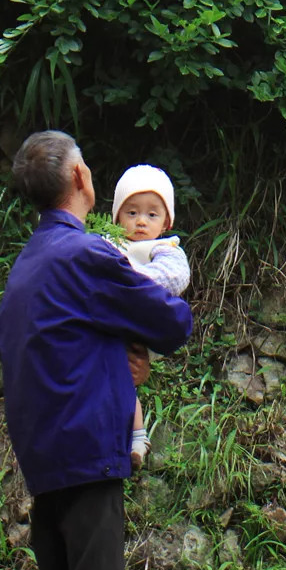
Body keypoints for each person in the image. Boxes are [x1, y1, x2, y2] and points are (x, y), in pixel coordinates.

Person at [0, 131, 193, 570]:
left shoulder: (28, 265)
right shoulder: (85, 255)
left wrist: (117, 356)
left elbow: (63, 346)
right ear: (80, 178)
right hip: (86, 456)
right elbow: (173, 321)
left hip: (43, 459)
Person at [108, 164, 190, 470]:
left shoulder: (166, 249)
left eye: (152, 214)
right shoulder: (108, 243)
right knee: (120, 377)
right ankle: (133, 438)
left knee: (129, 373)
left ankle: (138, 437)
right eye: (131, 213)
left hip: (143, 325)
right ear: (116, 216)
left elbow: (174, 278)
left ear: (166, 221)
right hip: (112, 324)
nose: (141, 221)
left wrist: (127, 279)